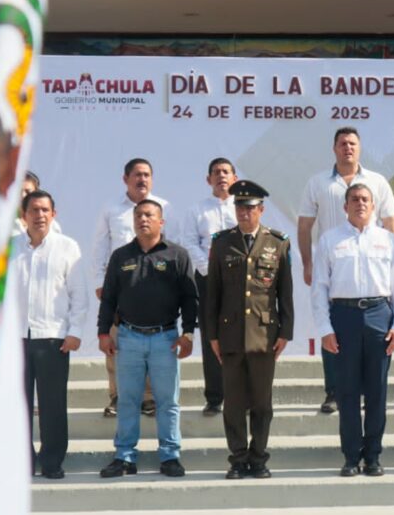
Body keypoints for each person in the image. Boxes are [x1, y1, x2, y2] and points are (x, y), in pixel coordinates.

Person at [298, 127, 394, 414]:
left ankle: (368, 391)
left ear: (360, 148)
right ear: (334, 148)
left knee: (370, 337)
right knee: (330, 327)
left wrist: (392, 265)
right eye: (343, 144)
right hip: (332, 267)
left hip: (370, 267)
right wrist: (307, 263)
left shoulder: (377, 182)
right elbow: (305, 225)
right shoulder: (317, 182)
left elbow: (391, 222)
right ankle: (333, 391)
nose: (348, 148)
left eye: (353, 143)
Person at [312, 183, 394, 477]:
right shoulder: (330, 239)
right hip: (344, 317)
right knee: (347, 392)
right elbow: (319, 288)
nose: (360, 204)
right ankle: (351, 456)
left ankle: (374, 456)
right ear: (345, 206)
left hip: (380, 314)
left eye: (365, 199)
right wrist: (325, 328)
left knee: (377, 392)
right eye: (354, 199)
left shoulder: (387, 240)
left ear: (374, 205)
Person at [95, 200, 196, 478]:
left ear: (161, 221)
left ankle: (170, 456)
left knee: (167, 401)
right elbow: (109, 299)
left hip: (165, 338)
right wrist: (103, 332)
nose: (143, 219)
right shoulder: (120, 256)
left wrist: (188, 333)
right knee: (127, 400)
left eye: (149, 215)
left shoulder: (178, 255)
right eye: (138, 215)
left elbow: (190, 298)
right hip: (128, 337)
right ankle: (124, 456)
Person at [204, 180, 294, 480]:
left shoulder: (277, 243)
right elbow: (212, 294)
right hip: (229, 336)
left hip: (264, 335)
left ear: (261, 210)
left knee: (261, 404)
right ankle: (238, 459)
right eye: (240, 207)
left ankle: (259, 459)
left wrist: (285, 332)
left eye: (250, 207)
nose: (244, 212)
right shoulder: (221, 243)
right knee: (233, 404)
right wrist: (212, 335)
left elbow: (285, 293)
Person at [10, 190, 87, 480]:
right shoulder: (10, 249)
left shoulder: (67, 247)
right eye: (34, 210)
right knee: (18, 406)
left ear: (54, 214)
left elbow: (79, 295)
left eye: (45, 210)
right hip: (16, 339)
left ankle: (52, 462)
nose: (39, 215)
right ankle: (21, 463)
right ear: (23, 215)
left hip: (54, 338)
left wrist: (75, 332)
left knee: (53, 405)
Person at [92, 158, 168, 417]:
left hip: (154, 288)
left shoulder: (163, 207)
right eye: (137, 175)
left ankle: (148, 398)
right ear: (125, 179)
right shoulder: (111, 208)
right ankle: (116, 396)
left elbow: (171, 249)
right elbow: (100, 246)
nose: (142, 179)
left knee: (149, 343)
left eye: (147, 174)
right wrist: (99, 283)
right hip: (119, 287)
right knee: (115, 343)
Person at [182, 157, 238, 416]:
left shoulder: (244, 207)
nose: (221, 176)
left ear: (234, 178)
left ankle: (241, 396)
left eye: (226, 172)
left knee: (240, 338)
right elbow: (190, 243)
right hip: (208, 281)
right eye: (216, 172)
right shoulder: (197, 210)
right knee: (211, 337)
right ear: (208, 179)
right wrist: (210, 272)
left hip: (240, 281)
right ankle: (214, 397)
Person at [12, 170, 62, 237]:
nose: (23, 195)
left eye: (27, 192)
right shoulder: (2, 223)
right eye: (18, 191)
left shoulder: (51, 225)